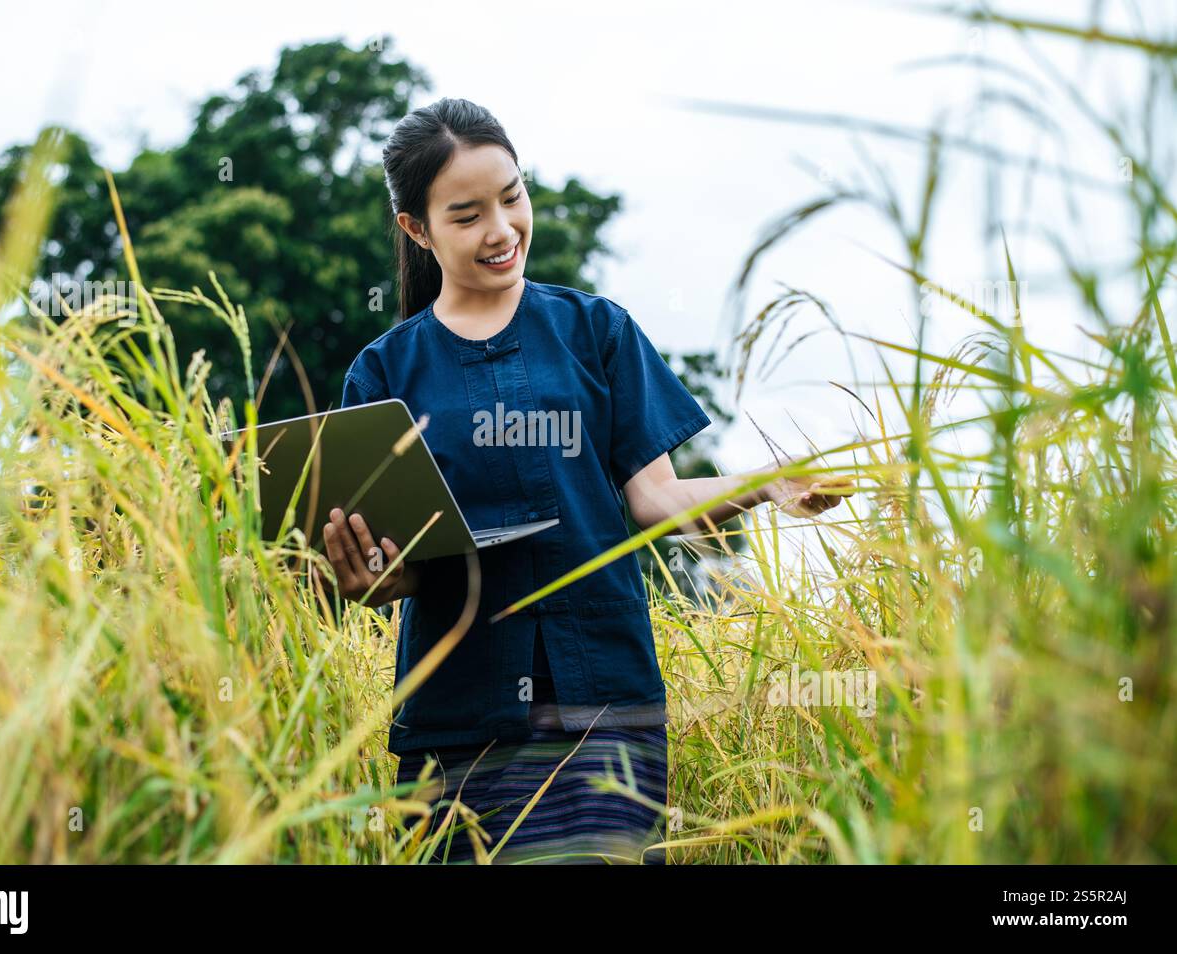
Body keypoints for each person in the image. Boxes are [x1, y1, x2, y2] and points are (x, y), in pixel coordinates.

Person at [322, 97, 848, 864]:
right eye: (466, 216)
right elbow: (383, 576)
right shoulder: (383, 374)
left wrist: (767, 482)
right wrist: (369, 577)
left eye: (512, 197)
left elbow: (656, 500)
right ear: (416, 229)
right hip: (457, 723)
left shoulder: (598, 332)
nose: (501, 230)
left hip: (603, 707)